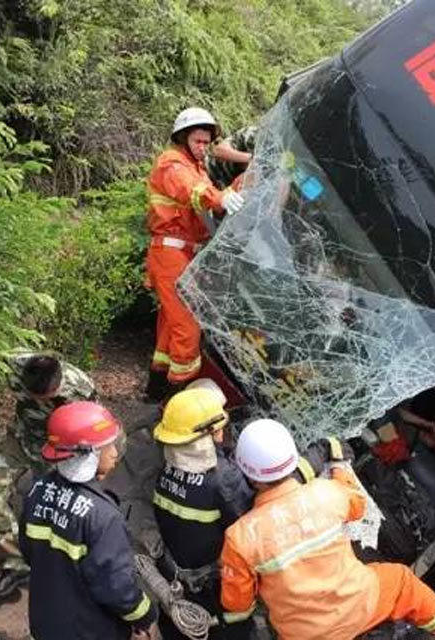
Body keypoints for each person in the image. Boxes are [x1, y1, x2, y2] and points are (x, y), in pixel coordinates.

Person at [220, 419, 435, 640]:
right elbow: (357, 505)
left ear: (247, 473)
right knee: (401, 580)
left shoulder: (240, 536)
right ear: (294, 457)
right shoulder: (325, 494)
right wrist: (340, 466)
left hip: (304, 635)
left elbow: (237, 603)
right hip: (359, 605)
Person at [20, 401, 158, 640]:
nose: (115, 452)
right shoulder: (103, 517)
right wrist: (145, 616)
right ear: (88, 456)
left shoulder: (38, 490)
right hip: (89, 630)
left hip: (46, 622)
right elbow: (116, 588)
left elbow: (28, 550)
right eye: (108, 446)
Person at [145, 107, 245, 401]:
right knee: (187, 329)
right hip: (171, 254)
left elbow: (206, 191)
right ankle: (179, 400)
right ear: (183, 138)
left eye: (206, 142)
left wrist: (236, 189)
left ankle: (155, 390)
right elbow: (195, 192)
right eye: (198, 141)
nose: (203, 147)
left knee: (169, 329)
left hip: (182, 253)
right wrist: (220, 198)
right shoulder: (172, 164)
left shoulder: (195, 165)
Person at [0, 352, 97, 601]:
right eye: (32, 395)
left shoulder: (81, 388)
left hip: (56, 452)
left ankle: (66, 568)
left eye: (45, 397)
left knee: (55, 509)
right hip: (21, 441)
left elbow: (90, 430)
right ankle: (16, 564)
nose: (36, 400)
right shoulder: (15, 364)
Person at [151, 384, 255, 639]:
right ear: (212, 431)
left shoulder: (167, 467)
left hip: (174, 576)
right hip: (213, 587)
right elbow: (251, 526)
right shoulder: (222, 479)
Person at [205, 125, 256, 191]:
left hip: (224, 194)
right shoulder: (253, 134)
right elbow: (218, 151)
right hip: (207, 171)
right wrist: (250, 159)